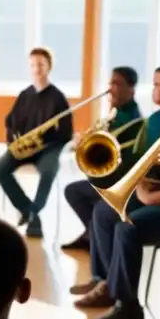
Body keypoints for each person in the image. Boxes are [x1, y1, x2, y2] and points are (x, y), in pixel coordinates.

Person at [70, 176, 160, 319]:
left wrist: (145, 191)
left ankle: (128, 306)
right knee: (104, 212)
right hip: (158, 191)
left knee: (127, 228)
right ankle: (106, 283)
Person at [0, 48, 73, 239]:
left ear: (49, 67)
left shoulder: (58, 97)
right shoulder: (25, 95)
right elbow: (11, 123)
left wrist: (44, 141)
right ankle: (27, 210)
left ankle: (34, 214)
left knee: (48, 171)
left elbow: (66, 133)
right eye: (32, 65)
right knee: (0, 168)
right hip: (25, 147)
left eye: (40, 64)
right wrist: (14, 141)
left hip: (48, 148)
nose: (36, 69)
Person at [61, 66, 141, 251]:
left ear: (132, 90)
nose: (111, 88)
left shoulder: (132, 119)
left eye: (117, 83)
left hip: (117, 183)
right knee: (73, 191)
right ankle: (93, 235)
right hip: (107, 180)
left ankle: (95, 237)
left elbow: (117, 154)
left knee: (75, 192)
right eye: (110, 83)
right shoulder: (117, 112)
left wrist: (90, 141)